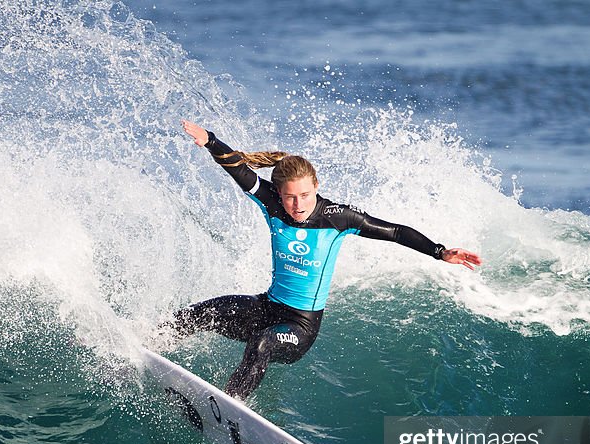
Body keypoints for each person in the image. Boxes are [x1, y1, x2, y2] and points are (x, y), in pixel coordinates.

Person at [167, 119, 482, 400]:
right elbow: (238, 168)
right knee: (200, 312)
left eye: (305, 195)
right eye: (290, 196)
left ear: (316, 187)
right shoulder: (272, 204)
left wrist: (440, 252)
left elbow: (395, 232)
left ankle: (231, 406)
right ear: (279, 192)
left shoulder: (337, 217)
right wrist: (210, 139)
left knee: (262, 344)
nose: (298, 204)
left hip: (299, 327)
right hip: (266, 308)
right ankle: (146, 345)